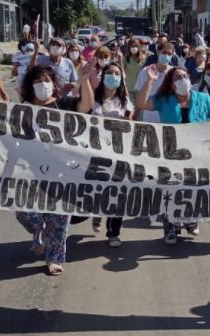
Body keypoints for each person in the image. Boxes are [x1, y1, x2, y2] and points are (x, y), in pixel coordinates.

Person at [136, 67, 210, 244]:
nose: (182, 79)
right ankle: (171, 227)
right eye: (177, 77)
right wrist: (149, 81)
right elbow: (141, 103)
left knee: (193, 188)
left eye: (185, 76)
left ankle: (190, 220)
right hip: (171, 152)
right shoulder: (164, 100)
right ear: (171, 83)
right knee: (171, 189)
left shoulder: (203, 98)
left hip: (196, 153)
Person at [17, 63, 94, 275]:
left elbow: (85, 106)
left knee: (60, 218)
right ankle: (39, 229)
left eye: (47, 81)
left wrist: (84, 80)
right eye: (37, 81)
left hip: (62, 172)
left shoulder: (63, 105)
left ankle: (54, 258)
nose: (43, 85)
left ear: (54, 84)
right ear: (30, 86)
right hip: (30, 171)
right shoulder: (23, 110)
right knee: (24, 212)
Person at [90, 62, 135, 246]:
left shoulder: (125, 100)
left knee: (118, 192)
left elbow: (130, 123)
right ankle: (97, 212)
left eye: (117, 73)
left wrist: (128, 120)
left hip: (119, 152)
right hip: (96, 151)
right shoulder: (93, 97)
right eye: (110, 73)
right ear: (103, 76)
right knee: (100, 190)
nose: (114, 76)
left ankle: (113, 232)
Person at [133, 42, 175, 122]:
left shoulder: (174, 73)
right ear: (158, 52)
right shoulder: (146, 71)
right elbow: (139, 97)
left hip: (168, 118)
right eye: (164, 52)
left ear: (172, 56)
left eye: (169, 54)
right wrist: (134, 117)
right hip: (150, 118)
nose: (166, 56)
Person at [123, 38, 147, 103]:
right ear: (129, 47)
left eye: (136, 46)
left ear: (139, 47)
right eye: (132, 46)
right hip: (129, 87)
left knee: (140, 107)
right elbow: (122, 71)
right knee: (130, 107)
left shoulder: (144, 58)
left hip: (140, 87)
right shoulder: (125, 58)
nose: (134, 48)